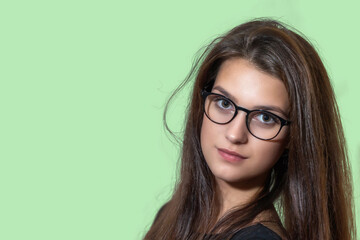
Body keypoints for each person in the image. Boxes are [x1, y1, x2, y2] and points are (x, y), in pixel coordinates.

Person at [144, 19, 356, 240]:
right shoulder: (171, 214)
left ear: (294, 137)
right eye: (224, 103)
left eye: (265, 117)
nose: (235, 134)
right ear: (202, 101)